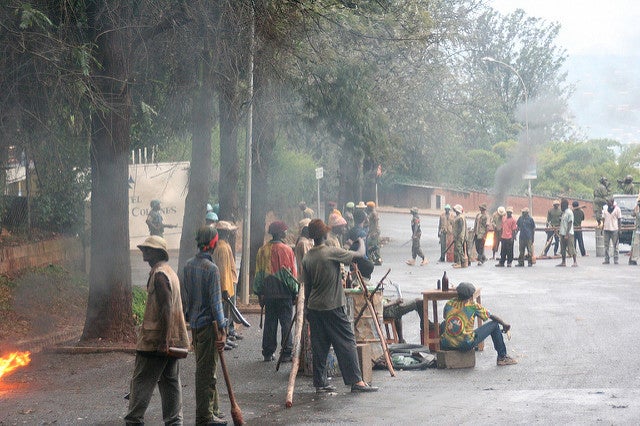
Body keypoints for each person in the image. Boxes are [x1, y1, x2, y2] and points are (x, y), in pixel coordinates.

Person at [302, 219, 378, 393]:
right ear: (324, 234)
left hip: (314, 308)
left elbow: (307, 287)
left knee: (319, 346)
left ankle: (320, 383)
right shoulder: (330, 252)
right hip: (333, 306)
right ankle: (356, 382)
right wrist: (361, 242)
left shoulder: (308, 257)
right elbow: (359, 255)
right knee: (347, 342)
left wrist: (307, 308)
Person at [125, 236, 190, 425]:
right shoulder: (168, 272)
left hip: (155, 342)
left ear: (158, 253)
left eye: (148, 249)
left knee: (141, 382)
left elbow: (166, 308)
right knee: (170, 382)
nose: (144, 252)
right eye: (144, 248)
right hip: (170, 340)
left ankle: (134, 420)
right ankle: (174, 422)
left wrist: (163, 340)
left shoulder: (160, 275)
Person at [182, 226, 228, 425]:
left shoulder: (188, 265)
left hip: (195, 325)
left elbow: (187, 298)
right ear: (213, 243)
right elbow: (216, 304)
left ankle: (213, 410)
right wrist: (224, 330)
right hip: (210, 327)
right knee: (206, 373)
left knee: (207, 368)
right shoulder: (212, 269)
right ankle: (205, 417)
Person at [440, 282, 517, 366]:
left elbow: (445, 316)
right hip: (465, 344)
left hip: (447, 344)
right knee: (494, 324)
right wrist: (504, 324)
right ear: (471, 296)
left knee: (444, 323)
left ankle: (446, 345)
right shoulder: (473, 306)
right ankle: (502, 357)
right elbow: (491, 316)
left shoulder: (449, 303)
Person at [253, 221, 298, 362]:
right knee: (286, 323)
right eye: (284, 231)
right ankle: (286, 353)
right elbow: (291, 275)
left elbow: (259, 274)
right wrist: (295, 292)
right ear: (279, 233)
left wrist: (259, 292)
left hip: (268, 293)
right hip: (284, 293)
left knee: (270, 322)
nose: (286, 233)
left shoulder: (262, 250)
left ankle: (267, 352)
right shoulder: (287, 250)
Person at [213, 220, 241, 347]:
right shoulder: (223, 247)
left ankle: (227, 335)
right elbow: (223, 270)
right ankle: (223, 339)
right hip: (226, 285)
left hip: (229, 282)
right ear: (225, 233)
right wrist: (224, 289)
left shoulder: (222, 245)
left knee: (227, 313)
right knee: (223, 314)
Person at [557, 198, 578, 267]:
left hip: (569, 234)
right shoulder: (564, 212)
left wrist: (567, 234)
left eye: (561, 205)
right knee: (563, 248)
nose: (560, 207)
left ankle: (575, 261)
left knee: (571, 247)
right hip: (562, 232)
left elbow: (570, 223)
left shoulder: (569, 212)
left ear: (565, 205)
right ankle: (563, 262)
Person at [601, 197, 622, 264]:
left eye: (608, 202)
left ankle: (616, 259)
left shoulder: (617, 209)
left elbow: (619, 219)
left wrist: (619, 229)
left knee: (615, 245)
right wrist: (602, 228)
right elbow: (603, 219)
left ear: (612, 202)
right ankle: (607, 259)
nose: (607, 203)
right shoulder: (605, 209)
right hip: (606, 229)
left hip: (614, 229)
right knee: (606, 245)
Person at [365, 201, 382, 265]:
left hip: (374, 232)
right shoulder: (374, 213)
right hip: (374, 231)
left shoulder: (373, 214)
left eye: (368, 207)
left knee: (373, 245)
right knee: (375, 245)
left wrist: (373, 233)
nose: (367, 208)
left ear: (370, 207)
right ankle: (377, 259)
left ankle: (376, 259)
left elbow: (373, 224)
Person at [452, 204, 467, 268]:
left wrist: (457, 235)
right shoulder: (458, 216)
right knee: (457, 249)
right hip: (457, 236)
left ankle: (462, 262)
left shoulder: (460, 217)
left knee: (459, 249)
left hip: (459, 236)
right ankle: (458, 262)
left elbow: (460, 228)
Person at [630, 196, 640, 266]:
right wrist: (636, 207)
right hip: (638, 230)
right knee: (636, 245)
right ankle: (634, 259)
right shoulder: (637, 210)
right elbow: (632, 214)